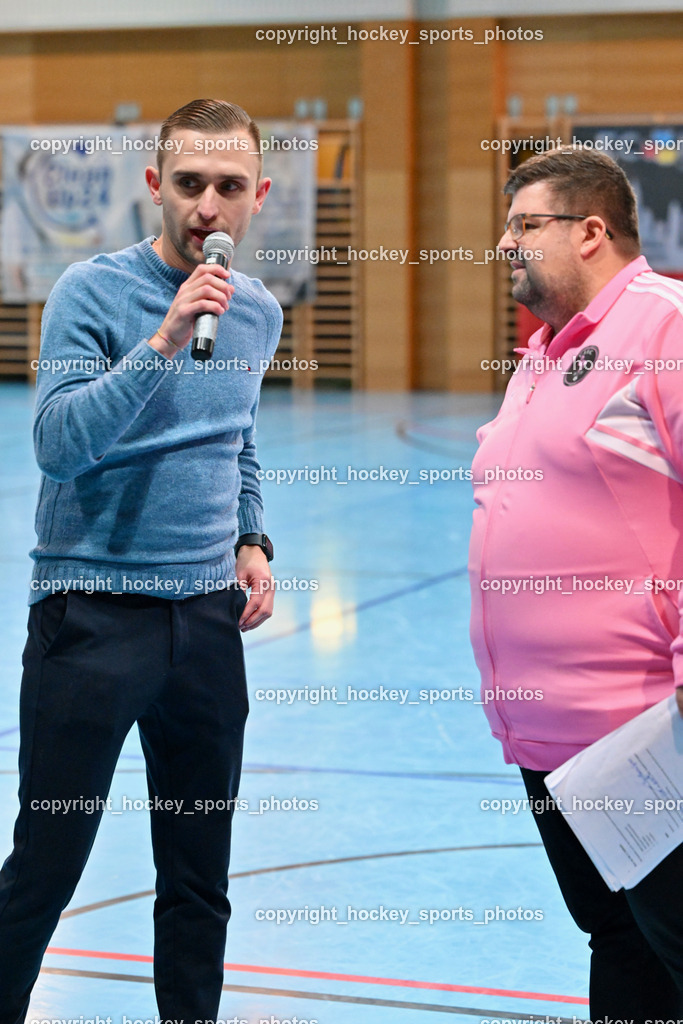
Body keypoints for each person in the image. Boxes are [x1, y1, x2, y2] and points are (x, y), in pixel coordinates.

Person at [0, 98, 282, 1024]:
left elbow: (235, 440)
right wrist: (164, 339)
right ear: (156, 185)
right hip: (91, 616)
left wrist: (251, 538)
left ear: (257, 198)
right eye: (191, 183)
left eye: (229, 187)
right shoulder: (92, 291)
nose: (208, 205)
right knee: (46, 865)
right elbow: (58, 442)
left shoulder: (258, 315)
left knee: (199, 878)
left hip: (205, 628)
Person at [468, 146, 683, 1022]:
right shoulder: (541, 357)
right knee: (618, 942)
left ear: (591, 231)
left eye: (525, 225)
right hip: (550, 743)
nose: (503, 243)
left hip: (643, 736)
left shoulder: (663, 325)